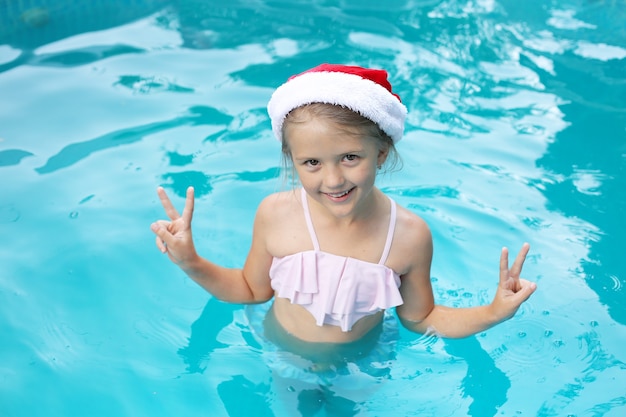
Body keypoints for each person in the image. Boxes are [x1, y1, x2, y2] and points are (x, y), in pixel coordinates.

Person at [151, 62, 536, 348]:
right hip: (282, 353)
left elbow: (422, 318)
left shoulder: (408, 236)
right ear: (292, 159)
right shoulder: (276, 214)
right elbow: (252, 290)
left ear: (382, 152)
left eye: (350, 157)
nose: (333, 180)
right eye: (312, 163)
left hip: (361, 364)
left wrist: (494, 312)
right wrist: (190, 260)